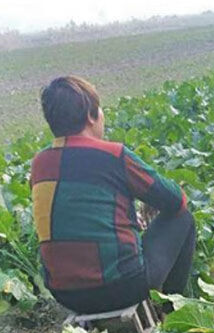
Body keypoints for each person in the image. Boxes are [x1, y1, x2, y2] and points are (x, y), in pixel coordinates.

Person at [31, 76, 195, 314]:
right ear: (90, 115)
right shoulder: (114, 155)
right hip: (123, 288)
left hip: (65, 295)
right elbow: (175, 200)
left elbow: (72, 214)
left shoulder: (39, 164)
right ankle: (172, 310)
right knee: (184, 218)